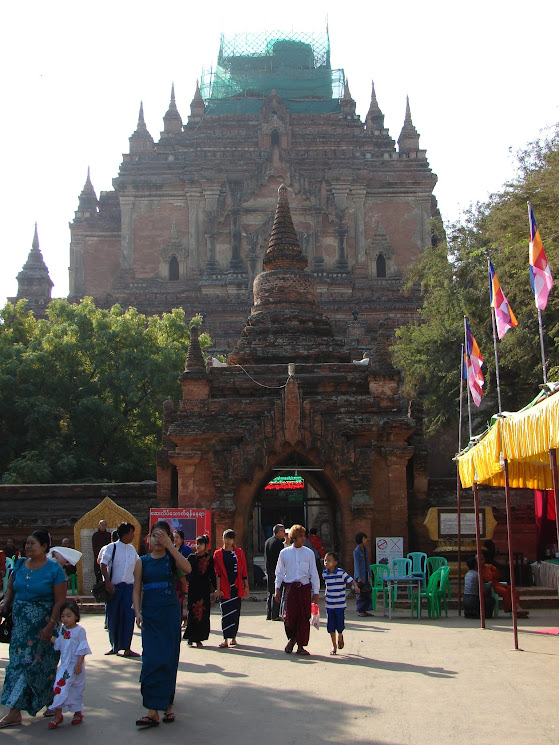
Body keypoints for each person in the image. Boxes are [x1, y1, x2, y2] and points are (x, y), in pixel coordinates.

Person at [0, 530, 67, 728]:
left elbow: (60, 601)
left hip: (44, 627)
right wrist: (5, 603)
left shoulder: (54, 569)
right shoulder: (20, 564)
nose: (28, 547)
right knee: (17, 666)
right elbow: (11, 588)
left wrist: (51, 625)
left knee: (43, 666)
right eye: (26, 543)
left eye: (32, 544)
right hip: (21, 628)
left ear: (45, 547)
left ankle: (52, 703)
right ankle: (14, 712)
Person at [133, 521, 192, 727]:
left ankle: (166, 705)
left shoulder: (172, 559)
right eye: (155, 535)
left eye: (163, 535)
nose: (158, 539)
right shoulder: (142, 561)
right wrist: (138, 612)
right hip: (149, 614)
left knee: (168, 657)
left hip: (169, 612)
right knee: (150, 659)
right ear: (149, 538)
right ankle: (152, 710)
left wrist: (171, 548)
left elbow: (188, 568)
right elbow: (137, 589)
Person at [274, 524, 320, 656]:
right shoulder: (284, 553)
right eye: (300, 536)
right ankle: (292, 638)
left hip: (304, 588)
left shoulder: (309, 553)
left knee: (304, 617)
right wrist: (277, 588)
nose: (303, 538)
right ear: (294, 538)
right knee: (288, 617)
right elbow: (279, 572)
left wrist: (316, 592)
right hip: (290, 588)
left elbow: (314, 574)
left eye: (304, 536)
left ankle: (301, 645)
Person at [46, 600, 91, 729]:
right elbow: (59, 643)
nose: (65, 619)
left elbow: (83, 648)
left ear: (76, 616)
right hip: (64, 666)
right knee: (59, 687)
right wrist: (48, 637)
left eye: (68, 615)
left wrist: (79, 664)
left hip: (75, 666)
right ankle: (58, 715)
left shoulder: (80, 631)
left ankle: (77, 713)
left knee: (76, 689)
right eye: (63, 616)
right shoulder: (62, 629)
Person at [100, 522, 139, 657]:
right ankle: (114, 646)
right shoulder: (112, 547)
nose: (133, 536)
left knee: (128, 617)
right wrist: (107, 583)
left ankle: (127, 647)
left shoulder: (132, 549)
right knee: (113, 616)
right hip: (114, 588)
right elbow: (103, 564)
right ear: (125, 533)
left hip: (129, 587)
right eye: (132, 533)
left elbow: (138, 565)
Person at [213, 529, 249, 648]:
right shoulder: (218, 554)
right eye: (226, 538)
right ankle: (225, 639)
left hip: (237, 586)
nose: (227, 541)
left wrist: (246, 586)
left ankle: (233, 637)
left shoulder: (239, 553)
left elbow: (244, 570)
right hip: (224, 587)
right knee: (225, 612)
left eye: (230, 538)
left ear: (234, 540)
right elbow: (217, 573)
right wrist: (217, 589)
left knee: (235, 612)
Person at [323, 552, 359, 655]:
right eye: (325, 560)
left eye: (329, 560)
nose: (326, 562)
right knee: (330, 626)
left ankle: (340, 635)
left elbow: (352, 580)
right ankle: (334, 646)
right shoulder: (325, 574)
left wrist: (355, 587)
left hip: (340, 605)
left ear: (335, 562)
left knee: (340, 624)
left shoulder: (341, 573)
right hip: (329, 605)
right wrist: (325, 594)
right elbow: (327, 585)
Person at [184, 535, 216, 646]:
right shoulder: (191, 558)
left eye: (201, 544)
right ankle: (190, 637)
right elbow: (185, 571)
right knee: (192, 612)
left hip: (204, 590)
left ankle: (199, 638)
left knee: (203, 613)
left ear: (206, 545)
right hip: (193, 589)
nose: (198, 546)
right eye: (197, 544)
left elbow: (212, 575)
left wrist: (216, 589)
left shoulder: (210, 559)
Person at [481, 551, 529, 618]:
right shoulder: (478, 570)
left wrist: (493, 576)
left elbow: (497, 573)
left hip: (496, 583)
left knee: (514, 590)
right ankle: (512, 609)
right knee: (504, 591)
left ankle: (518, 607)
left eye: (482, 559)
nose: (482, 561)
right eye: (480, 560)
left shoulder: (488, 566)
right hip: (491, 586)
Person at [264, 524, 285, 620]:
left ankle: (269, 613)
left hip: (269, 570)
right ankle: (275, 614)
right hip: (276, 570)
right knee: (277, 592)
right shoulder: (278, 543)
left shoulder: (268, 541)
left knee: (270, 592)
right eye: (282, 531)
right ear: (278, 532)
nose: (284, 533)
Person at [173, 529, 192, 625]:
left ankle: (185, 619)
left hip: (185, 577)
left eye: (177, 537)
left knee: (184, 599)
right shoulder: (171, 549)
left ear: (182, 539)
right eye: (174, 537)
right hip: (175, 579)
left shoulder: (187, 550)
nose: (175, 539)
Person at [353, 532, 373, 617]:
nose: (366, 540)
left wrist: (370, 573)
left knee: (366, 592)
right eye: (364, 538)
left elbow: (367, 562)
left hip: (365, 573)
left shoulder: (365, 549)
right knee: (360, 593)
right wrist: (358, 577)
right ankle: (360, 610)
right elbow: (356, 564)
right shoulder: (356, 551)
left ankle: (366, 609)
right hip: (360, 575)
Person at [92, 520, 111, 585]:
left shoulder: (108, 535)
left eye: (105, 525)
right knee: (98, 576)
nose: (103, 527)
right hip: (98, 558)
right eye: (102, 525)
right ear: (99, 525)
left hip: (107, 558)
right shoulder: (95, 535)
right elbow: (94, 547)